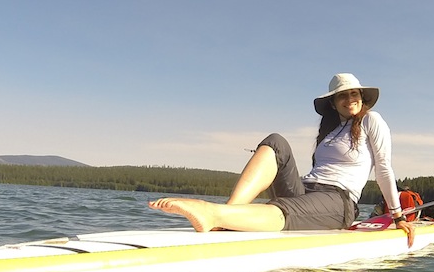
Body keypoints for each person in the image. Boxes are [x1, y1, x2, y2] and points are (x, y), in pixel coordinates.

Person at [149, 73, 416, 245]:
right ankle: (228, 216)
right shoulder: (330, 131)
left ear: (362, 98)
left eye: (353, 94)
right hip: (307, 189)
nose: (349, 99)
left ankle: (215, 215)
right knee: (276, 141)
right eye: (342, 95)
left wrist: (397, 216)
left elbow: (383, 169)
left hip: (338, 199)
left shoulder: (372, 121)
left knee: (290, 208)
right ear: (333, 103)